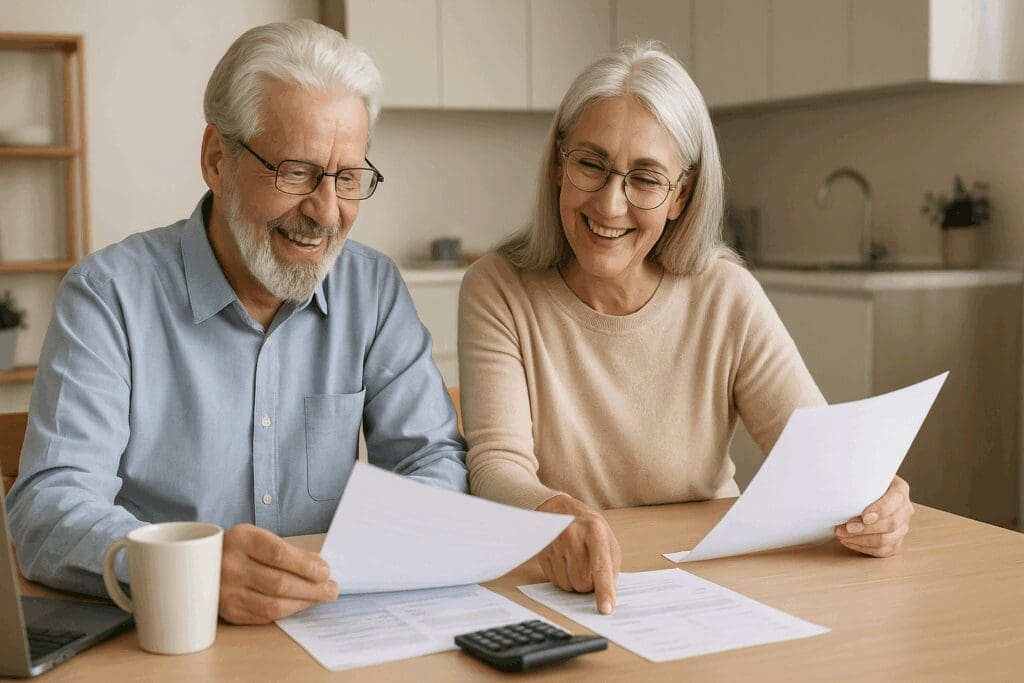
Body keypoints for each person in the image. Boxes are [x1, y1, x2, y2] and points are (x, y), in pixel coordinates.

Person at [6, 20, 467, 625]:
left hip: (332, 628)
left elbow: (432, 460)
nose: (326, 213)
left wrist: (378, 548)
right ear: (216, 159)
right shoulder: (108, 296)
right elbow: (49, 507)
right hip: (171, 637)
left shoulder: (373, 290)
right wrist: (186, 569)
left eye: (348, 177)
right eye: (297, 172)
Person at [458, 41, 914, 616]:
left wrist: (878, 502)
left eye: (646, 179)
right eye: (591, 164)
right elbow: (496, 466)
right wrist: (550, 513)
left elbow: (817, 458)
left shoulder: (725, 292)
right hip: (563, 588)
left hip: (712, 586)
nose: (610, 204)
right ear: (558, 164)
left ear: (683, 196)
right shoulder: (497, 287)